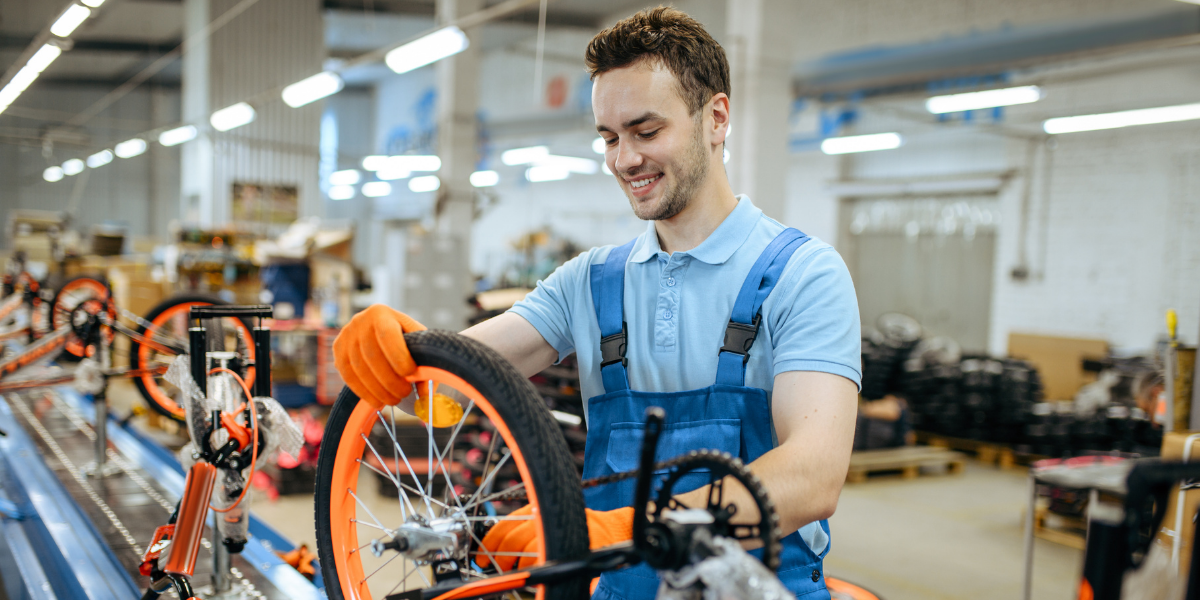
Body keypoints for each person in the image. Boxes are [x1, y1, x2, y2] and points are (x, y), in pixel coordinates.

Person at [332, 6, 861, 599]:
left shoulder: (802, 275)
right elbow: (453, 381)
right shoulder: (590, 282)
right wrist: (400, 351)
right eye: (609, 137)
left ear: (716, 118)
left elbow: (813, 477)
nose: (623, 159)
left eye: (646, 131)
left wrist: (622, 527)